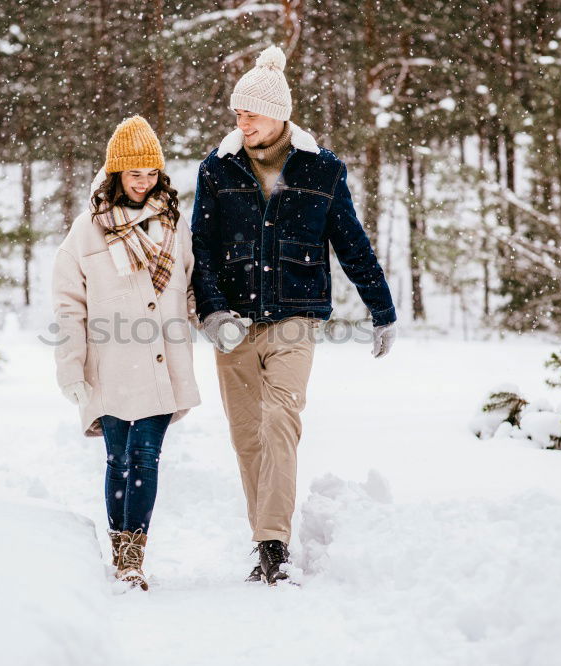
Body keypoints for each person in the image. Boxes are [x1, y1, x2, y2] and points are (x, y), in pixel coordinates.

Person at [191, 46, 398, 585]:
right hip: (233, 322)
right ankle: (264, 534)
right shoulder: (217, 168)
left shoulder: (321, 169)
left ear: (279, 114)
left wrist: (382, 308)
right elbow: (202, 250)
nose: (242, 121)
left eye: (251, 113)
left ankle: (272, 545)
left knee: (280, 421)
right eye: (237, 113)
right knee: (247, 437)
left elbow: (351, 242)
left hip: (295, 318)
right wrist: (212, 313)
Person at [52, 115, 201, 591]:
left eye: (151, 173)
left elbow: (192, 284)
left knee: (146, 457)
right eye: (134, 174)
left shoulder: (173, 226)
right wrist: (70, 367)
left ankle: (133, 557)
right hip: (110, 364)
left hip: (161, 361)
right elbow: (68, 305)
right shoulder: (85, 232)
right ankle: (121, 550)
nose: (144, 182)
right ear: (116, 174)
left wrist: (215, 316)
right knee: (118, 459)